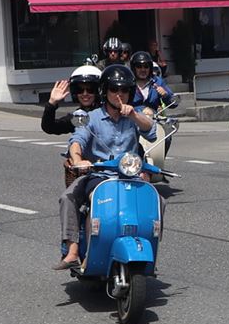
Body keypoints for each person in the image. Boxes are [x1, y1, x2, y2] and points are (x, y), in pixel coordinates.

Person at [57, 64, 157, 271]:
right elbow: (77, 140)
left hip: (130, 176)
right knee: (70, 197)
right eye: (114, 89)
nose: (119, 94)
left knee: (158, 200)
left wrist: (133, 115)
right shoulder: (92, 117)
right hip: (99, 175)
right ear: (104, 91)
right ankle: (74, 251)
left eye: (124, 90)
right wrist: (78, 159)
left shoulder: (135, 115)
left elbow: (151, 131)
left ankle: (151, 249)